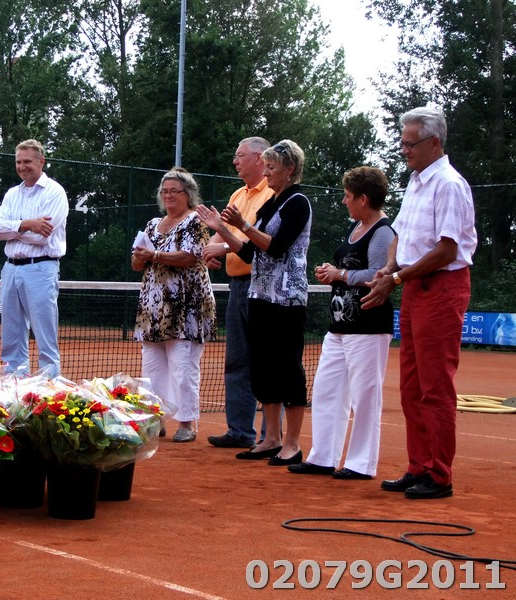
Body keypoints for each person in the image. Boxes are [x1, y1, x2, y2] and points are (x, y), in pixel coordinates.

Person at [362, 107, 477, 500]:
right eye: (402, 142)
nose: (404, 149)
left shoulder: (449, 184)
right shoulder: (416, 181)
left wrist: (396, 278)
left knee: (435, 386)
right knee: (411, 385)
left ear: (434, 142)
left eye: (410, 143)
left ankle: (439, 475)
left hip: (441, 288)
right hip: (414, 287)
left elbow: (447, 250)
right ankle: (418, 466)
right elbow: (402, 235)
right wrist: (390, 267)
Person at [197, 140, 311, 465]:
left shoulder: (297, 202)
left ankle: (292, 443)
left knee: (287, 368)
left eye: (272, 167)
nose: (268, 173)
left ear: (290, 169)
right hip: (259, 296)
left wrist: (243, 226)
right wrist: (221, 229)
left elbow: (275, 247)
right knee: (263, 369)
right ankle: (270, 439)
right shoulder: (271, 204)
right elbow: (248, 252)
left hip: (286, 300)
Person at [288, 166, 395, 480]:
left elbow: (379, 274)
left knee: (365, 397)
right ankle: (323, 457)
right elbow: (348, 268)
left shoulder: (383, 232)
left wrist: (341, 274)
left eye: (348, 196)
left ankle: (361, 464)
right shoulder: (356, 226)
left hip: (369, 325)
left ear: (363, 199)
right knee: (326, 390)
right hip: (339, 326)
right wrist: (332, 273)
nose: (344, 201)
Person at [132, 168, 217, 442]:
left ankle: (186, 423)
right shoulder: (151, 224)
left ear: (187, 194)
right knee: (152, 368)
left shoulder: (196, 221)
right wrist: (140, 257)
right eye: (164, 191)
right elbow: (136, 264)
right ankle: (155, 419)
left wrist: (154, 255)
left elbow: (190, 257)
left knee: (183, 367)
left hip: (187, 307)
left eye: (174, 191)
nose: (168, 196)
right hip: (152, 308)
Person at [202, 137, 274, 449]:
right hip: (237, 286)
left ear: (259, 158)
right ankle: (240, 431)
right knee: (236, 361)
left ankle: (270, 436)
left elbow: (258, 241)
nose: (235, 161)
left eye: (240, 155)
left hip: (263, 286)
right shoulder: (238, 194)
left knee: (266, 363)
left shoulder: (273, 194)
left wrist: (221, 245)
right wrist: (213, 248)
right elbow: (225, 234)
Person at [0, 139, 69, 379]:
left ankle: (49, 383)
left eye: (27, 161)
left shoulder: (55, 192)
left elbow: (41, 237)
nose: (22, 166)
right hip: (10, 269)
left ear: (41, 162)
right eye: (18, 162)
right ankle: (14, 380)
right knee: (11, 332)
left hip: (41, 268)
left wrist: (14, 230)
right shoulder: (12, 194)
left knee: (44, 333)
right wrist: (26, 224)